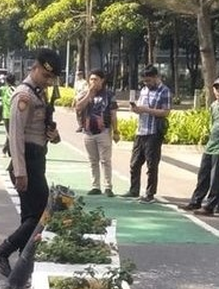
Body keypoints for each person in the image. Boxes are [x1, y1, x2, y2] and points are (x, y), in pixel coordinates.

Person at [0, 48, 61, 277]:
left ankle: (22, 268)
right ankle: (1, 252)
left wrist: (53, 134)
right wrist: (20, 172)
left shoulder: (39, 94)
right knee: (42, 216)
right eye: (45, 76)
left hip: (37, 158)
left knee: (30, 217)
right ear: (34, 68)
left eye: (51, 78)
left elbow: (42, 132)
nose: (48, 81)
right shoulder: (24, 96)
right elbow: (16, 136)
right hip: (27, 161)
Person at [123, 64, 172, 203]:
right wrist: (136, 108)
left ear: (156, 77)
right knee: (134, 163)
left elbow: (166, 112)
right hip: (141, 130)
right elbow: (140, 108)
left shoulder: (164, 91)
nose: (147, 84)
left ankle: (150, 193)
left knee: (151, 165)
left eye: (149, 81)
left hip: (154, 132)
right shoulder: (144, 90)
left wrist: (147, 110)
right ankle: (134, 190)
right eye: (144, 81)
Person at [75, 69, 120, 196]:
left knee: (105, 160)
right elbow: (78, 108)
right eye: (91, 79)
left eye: (96, 79)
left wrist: (116, 131)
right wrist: (89, 93)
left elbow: (113, 114)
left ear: (102, 80)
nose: (93, 82)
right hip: (88, 132)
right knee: (92, 160)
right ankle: (95, 186)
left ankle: (108, 187)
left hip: (104, 131)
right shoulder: (85, 93)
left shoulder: (109, 95)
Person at [181, 78, 219, 215]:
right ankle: (196, 201)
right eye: (216, 88)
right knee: (203, 175)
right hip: (211, 145)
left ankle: (210, 206)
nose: (218, 91)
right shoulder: (214, 106)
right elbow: (212, 123)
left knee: (216, 179)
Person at [0, 73, 16, 154]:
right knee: (12, 134)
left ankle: (5, 150)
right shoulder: (17, 89)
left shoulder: (4, 89)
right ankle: (8, 150)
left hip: (7, 115)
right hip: (16, 115)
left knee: (10, 134)